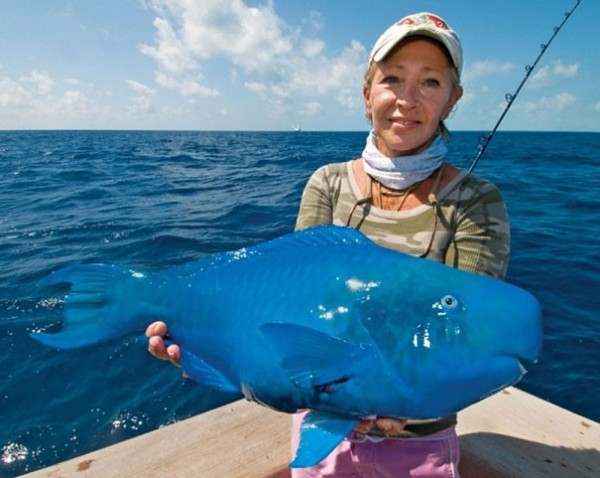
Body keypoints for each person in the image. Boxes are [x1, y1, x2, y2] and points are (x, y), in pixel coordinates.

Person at [146, 11, 510, 477]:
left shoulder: (477, 201)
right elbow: (288, 305)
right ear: (366, 94)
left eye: (430, 82)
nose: (406, 99)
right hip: (323, 432)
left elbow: (470, 335)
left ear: (452, 100)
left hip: (421, 443)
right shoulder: (328, 184)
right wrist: (203, 343)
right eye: (392, 79)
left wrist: (398, 404)